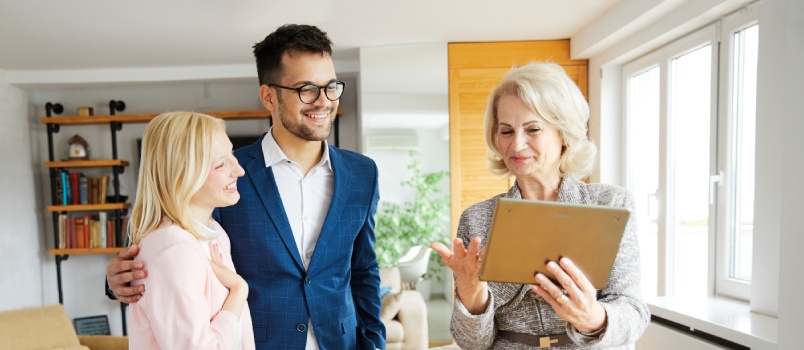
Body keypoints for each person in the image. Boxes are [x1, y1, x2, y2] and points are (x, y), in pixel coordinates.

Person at [106, 24, 385, 350]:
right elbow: (170, 243)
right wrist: (117, 281)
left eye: (330, 87)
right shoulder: (225, 176)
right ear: (269, 96)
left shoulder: (362, 173)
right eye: (306, 89)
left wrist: (374, 341)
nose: (323, 102)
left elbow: (364, 267)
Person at [431, 62, 650, 349]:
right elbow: (472, 343)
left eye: (533, 129)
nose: (517, 145)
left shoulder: (611, 204)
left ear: (565, 134)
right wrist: (470, 288)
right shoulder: (477, 218)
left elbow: (633, 311)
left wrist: (593, 317)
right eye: (506, 131)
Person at [126, 111, 254, 349]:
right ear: (182, 175)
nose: (239, 170)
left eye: (232, 155)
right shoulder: (175, 251)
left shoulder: (214, 234)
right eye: (220, 164)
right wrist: (239, 290)